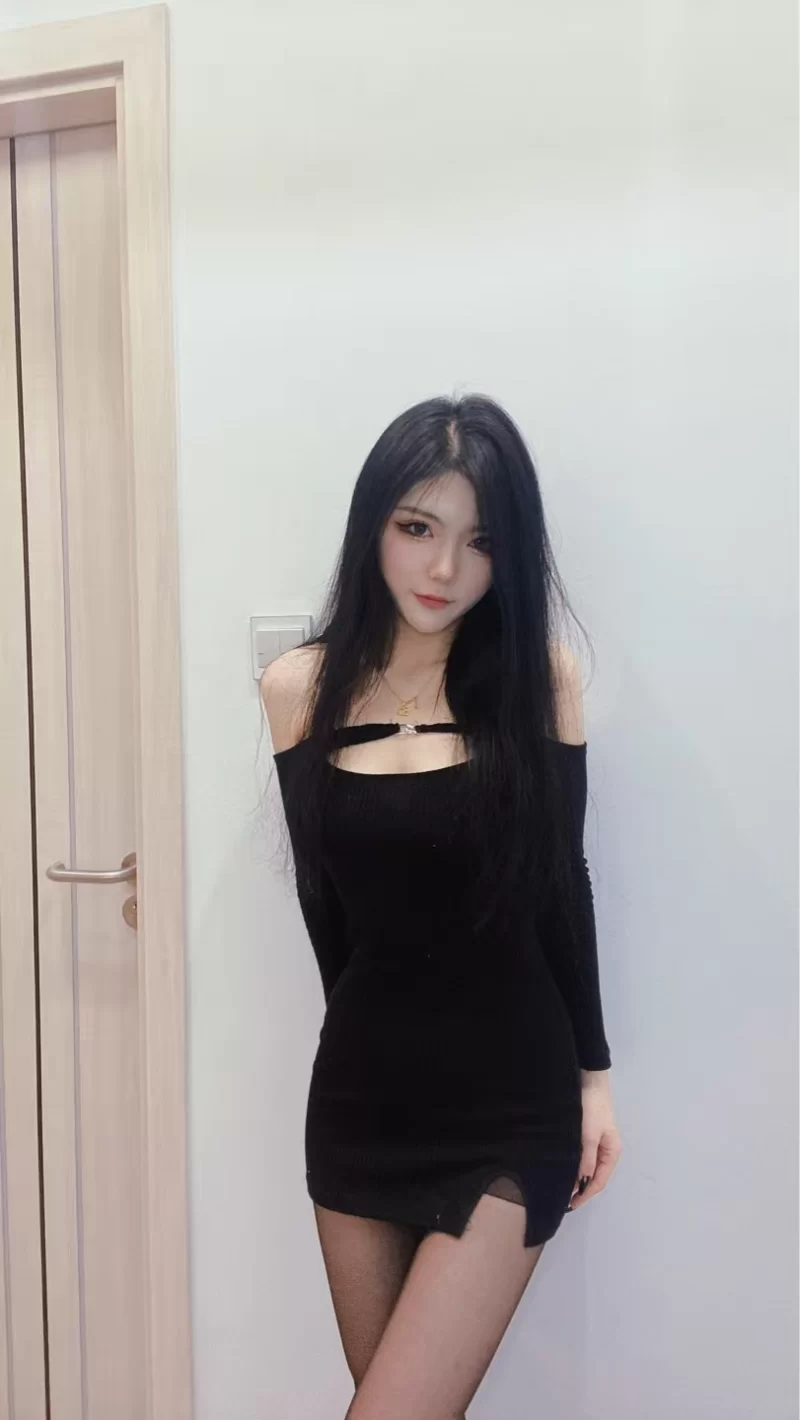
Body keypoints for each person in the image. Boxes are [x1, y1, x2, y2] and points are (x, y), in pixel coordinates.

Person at [260, 392, 622, 1420]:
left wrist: (593, 1077)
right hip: (361, 1102)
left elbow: (561, 883)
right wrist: (361, 1048)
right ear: (372, 523)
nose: (443, 569)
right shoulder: (297, 688)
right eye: (418, 528)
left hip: (509, 1105)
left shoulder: (539, 681)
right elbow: (326, 908)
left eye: (480, 542)